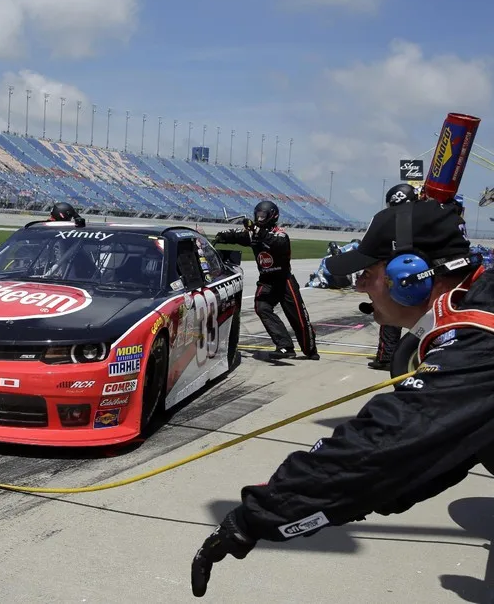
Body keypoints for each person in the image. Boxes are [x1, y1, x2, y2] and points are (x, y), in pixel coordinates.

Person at [191, 199, 486, 598]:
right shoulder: (475, 307)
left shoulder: (478, 340)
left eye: (368, 272)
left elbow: (385, 446)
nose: (360, 285)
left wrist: (254, 518)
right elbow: (433, 458)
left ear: (410, 276)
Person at [214, 200, 318, 360]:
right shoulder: (253, 234)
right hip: (266, 280)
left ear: (272, 216)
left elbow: (277, 243)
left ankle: (310, 349)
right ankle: (285, 346)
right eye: (258, 215)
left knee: (298, 317)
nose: (259, 219)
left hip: (285, 280)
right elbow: (237, 235)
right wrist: (222, 237)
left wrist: (257, 231)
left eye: (263, 216)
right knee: (261, 307)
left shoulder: (280, 233)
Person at [367, 183, 419, 370]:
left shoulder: (393, 221)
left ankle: (386, 357)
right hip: (423, 276)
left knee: (390, 316)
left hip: (398, 274)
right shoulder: (426, 217)